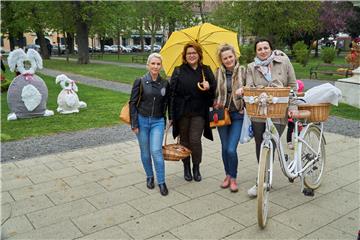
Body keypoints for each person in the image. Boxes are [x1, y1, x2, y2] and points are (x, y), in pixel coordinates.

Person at [245, 38, 297, 197]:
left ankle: (264, 178)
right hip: (259, 113)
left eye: (265, 48)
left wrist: (293, 107)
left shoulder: (284, 62)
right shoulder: (251, 67)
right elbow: (249, 87)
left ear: (271, 49)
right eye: (259, 49)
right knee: (261, 145)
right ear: (256, 52)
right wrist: (266, 89)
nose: (263, 51)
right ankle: (263, 179)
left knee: (272, 144)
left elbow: (292, 85)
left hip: (279, 112)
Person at [170, 42, 216, 182]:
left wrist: (209, 87)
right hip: (182, 112)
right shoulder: (178, 70)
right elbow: (172, 94)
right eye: (189, 53)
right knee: (184, 141)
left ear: (199, 55)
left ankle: (196, 167)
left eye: (194, 53)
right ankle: (186, 168)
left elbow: (213, 94)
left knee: (195, 140)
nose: (191, 55)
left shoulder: (205, 70)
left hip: (199, 112)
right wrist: (171, 116)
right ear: (185, 56)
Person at [129, 53, 171, 196]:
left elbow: (167, 103)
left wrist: (168, 119)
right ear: (148, 65)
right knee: (145, 153)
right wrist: (134, 123)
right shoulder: (140, 81)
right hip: (141, 121)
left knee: (156, 151)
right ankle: (149, 176)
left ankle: (161, 181)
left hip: (157, 121)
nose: (155, 66)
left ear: (161, 66)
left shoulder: (165, 83)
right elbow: (132, 103)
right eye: (153, 63)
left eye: (158, 64)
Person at [214, 44, 246, 192]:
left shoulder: (244, 71)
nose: (228, 60)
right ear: (221, 60)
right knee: (224, 148)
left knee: (231, 149)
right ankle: (227, 175)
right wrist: (212, 98)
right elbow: (213, 94)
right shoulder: (217, 73)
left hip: (237, 114)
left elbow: (252, 89)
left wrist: (244, 103)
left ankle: (233, 178)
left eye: (230, 57)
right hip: (221, 115)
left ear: (235, 56)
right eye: (225, 58)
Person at [287, 80, 304, 150]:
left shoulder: (300, 97)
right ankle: (289, 142)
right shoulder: (291, 95)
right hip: (291, 116)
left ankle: (296, 141)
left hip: (297, 116)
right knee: (291, 128)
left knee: (297, 129)